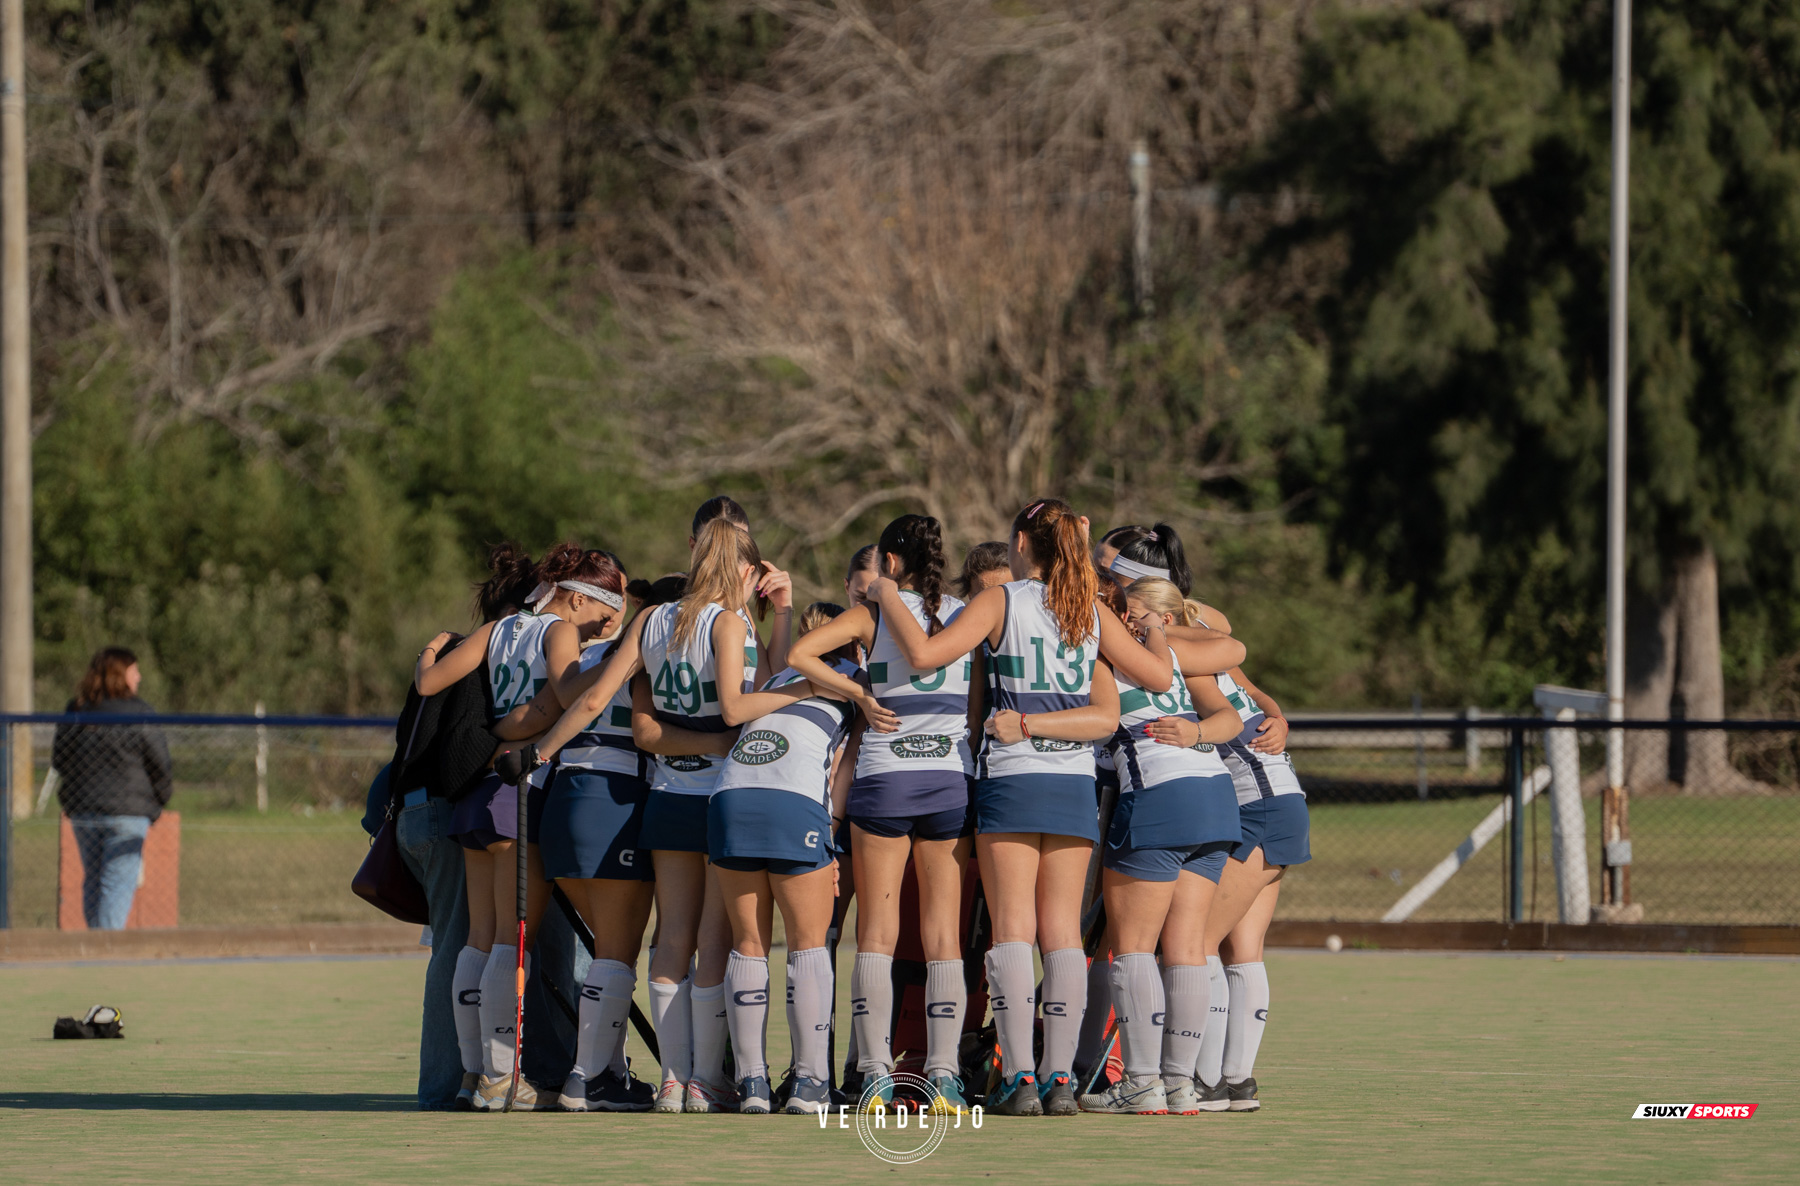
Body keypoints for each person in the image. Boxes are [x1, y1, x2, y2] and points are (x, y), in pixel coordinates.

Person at [867, 498, 1220, 1116]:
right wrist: (1158, 628)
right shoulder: (1088, 607)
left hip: (1012, 776)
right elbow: (1162, 679)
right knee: (1060, 933)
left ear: (1024, 544)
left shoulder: (1001, 600)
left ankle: (1020, 1078)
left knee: (1012, 930)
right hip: (1071, 781)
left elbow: (925, 656)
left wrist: (885, 592)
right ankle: (1060, 1079)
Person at [415, 545, 629, 1112]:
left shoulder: (498, 627)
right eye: (602, 614)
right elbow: (567, 695)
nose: (603, 626)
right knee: (511, 943)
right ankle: (501, 1077)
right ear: (577, 596)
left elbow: (430, 683)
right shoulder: (558, 630)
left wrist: (429, 649)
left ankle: (472, 1075)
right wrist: (620, 659)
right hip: (522, 789)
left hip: (478, 792)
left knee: (476, 940)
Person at [787, 514, 976, 1115]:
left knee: (878, 933)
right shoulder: (970, 611)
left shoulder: (870, 616)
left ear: (890, 564)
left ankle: (873, 1076)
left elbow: (800, 654)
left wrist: (860, 695)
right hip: (949, 778)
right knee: (944, 934)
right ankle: (943, 1076)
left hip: (885, 779)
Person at [1078, 577, 1243, 1116]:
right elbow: (1230, 713)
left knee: (1131, 947)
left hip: (1159, 798)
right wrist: (1197, 734)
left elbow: (1225, 712)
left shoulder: (1109, 658)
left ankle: (1143, 1082)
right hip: (1216, 800)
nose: (1122, 619)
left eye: (1132, 612)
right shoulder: (1176, 655)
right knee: (1187, 948)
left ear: (1152, 617)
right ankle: (1179, 1084)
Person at [394, 543, 538, 1110]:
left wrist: (429, 647)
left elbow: (420, 701)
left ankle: (465, 1079)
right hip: (452, 806)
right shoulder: (495, 657)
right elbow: (471, 741)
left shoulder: (452, 650)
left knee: (457, 945)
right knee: (463, 943)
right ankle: (455, 1081)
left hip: (412, 810)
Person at [712, 602, 863, 1114]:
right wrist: (831, 834)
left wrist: (782, 608)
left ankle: (752, 1084)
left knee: (748, 944)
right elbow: (842, 769)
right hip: (792, 802)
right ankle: (810, 1082)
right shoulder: (857, 680)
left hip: (729, 797)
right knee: (807, 946)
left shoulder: (777, 675)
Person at [52, 647, 171, 931]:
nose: (139, 677)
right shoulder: (141, 713)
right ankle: (103, 954)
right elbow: (160, 764)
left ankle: (95, 950)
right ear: (120, 674)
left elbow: (59, 759)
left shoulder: (77, 711)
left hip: (85, 812)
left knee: (95, 880)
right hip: (127, 816)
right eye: (134, 670)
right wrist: (157, 803)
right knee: (117, 885)